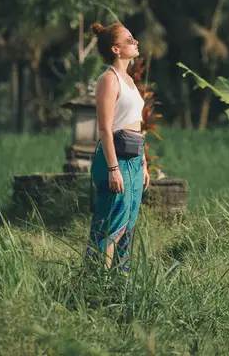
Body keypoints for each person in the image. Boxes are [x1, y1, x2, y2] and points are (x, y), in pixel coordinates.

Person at [87, 21, 150, 271]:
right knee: (112, 222)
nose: (136, 43)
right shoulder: (108, 80)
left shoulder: (129, 81)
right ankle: (95, 282)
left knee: (129, 222)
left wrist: (143, 163)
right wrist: (113, 168)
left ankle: (119, 283)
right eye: (130, 39)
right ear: (115, 49)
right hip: (115, 159)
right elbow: (104, 128)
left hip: (134, 159)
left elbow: (137, 125)